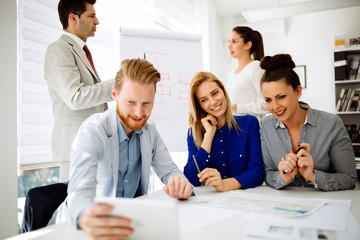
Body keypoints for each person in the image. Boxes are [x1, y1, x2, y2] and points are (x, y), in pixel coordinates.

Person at [51, 58, 193, 239]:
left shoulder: (149, 130)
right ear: (115, 95)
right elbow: (81, 189)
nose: (139, 113)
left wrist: (180, 184)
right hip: (82, 227)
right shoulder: (93, 131)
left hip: (127, 223)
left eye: (147, 103)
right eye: (131, 103)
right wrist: (86, 216)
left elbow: (170, 171)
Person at [259, 54, 357, 191]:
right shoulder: (265, 126)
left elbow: (349, 179)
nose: (275, 106)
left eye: (281, 97)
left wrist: (313, 176)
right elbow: (267, 174)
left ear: (298, 91)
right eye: (268, 100)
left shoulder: (331, 124)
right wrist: (284, 177)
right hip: (284, 205)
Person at [44, 0, 114, 181]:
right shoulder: (58, 50)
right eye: (91, 16)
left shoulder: (81, 51)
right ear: (73, 18)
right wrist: (119, 84)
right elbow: (75, 97)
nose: (97, 21)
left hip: (92, 149)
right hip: (74, 152)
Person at [184, 71, 265, 192]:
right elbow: (191, 179)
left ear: (223, 90)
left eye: (215, 93)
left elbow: (257, 172)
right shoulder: (193, 134)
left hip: (245, 200)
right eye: (204, 100)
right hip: (210, 204)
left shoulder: (249, 123)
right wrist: (208, 137)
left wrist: (224, 185)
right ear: (199, 105)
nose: (213, 102)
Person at [226, 26, 268, 119]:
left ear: (248, 45)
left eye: (234, 42)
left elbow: (266, 105)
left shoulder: (256, 67)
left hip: (251, 128)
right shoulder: (231, 73)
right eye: (229, 42)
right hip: (234, 127)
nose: (229, 46)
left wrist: (236, 107)